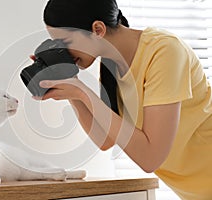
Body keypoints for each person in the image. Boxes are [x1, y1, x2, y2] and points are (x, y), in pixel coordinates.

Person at [34, 0, 212, 199]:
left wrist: (82, 92)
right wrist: (69, 87)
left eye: (66, 43)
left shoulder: (165, 51)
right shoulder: (112, 67)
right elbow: (105, 139)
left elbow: (150, 157)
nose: (64, 52)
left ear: (97, 29)